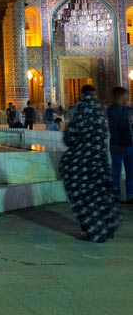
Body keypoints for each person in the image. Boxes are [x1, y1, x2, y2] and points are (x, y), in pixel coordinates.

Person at [59, 85, 122, 242]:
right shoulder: (100, 114)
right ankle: (106, 227)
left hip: (81, 164)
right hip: (98, 163)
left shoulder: (79, 112)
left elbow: (69, 138)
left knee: (82, 196)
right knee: (99, 195)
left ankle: (88, 230)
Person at [107, 87, 133, 203]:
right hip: (118, 145)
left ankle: (130, 195)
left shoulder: (124, 109)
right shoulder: (113, 110)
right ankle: (115, 195)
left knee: (130, 172)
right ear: (121, 96)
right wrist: (119, 143)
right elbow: (115, 128)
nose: (128, 97)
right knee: (116, 171)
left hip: (128, 145)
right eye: (126, 95)